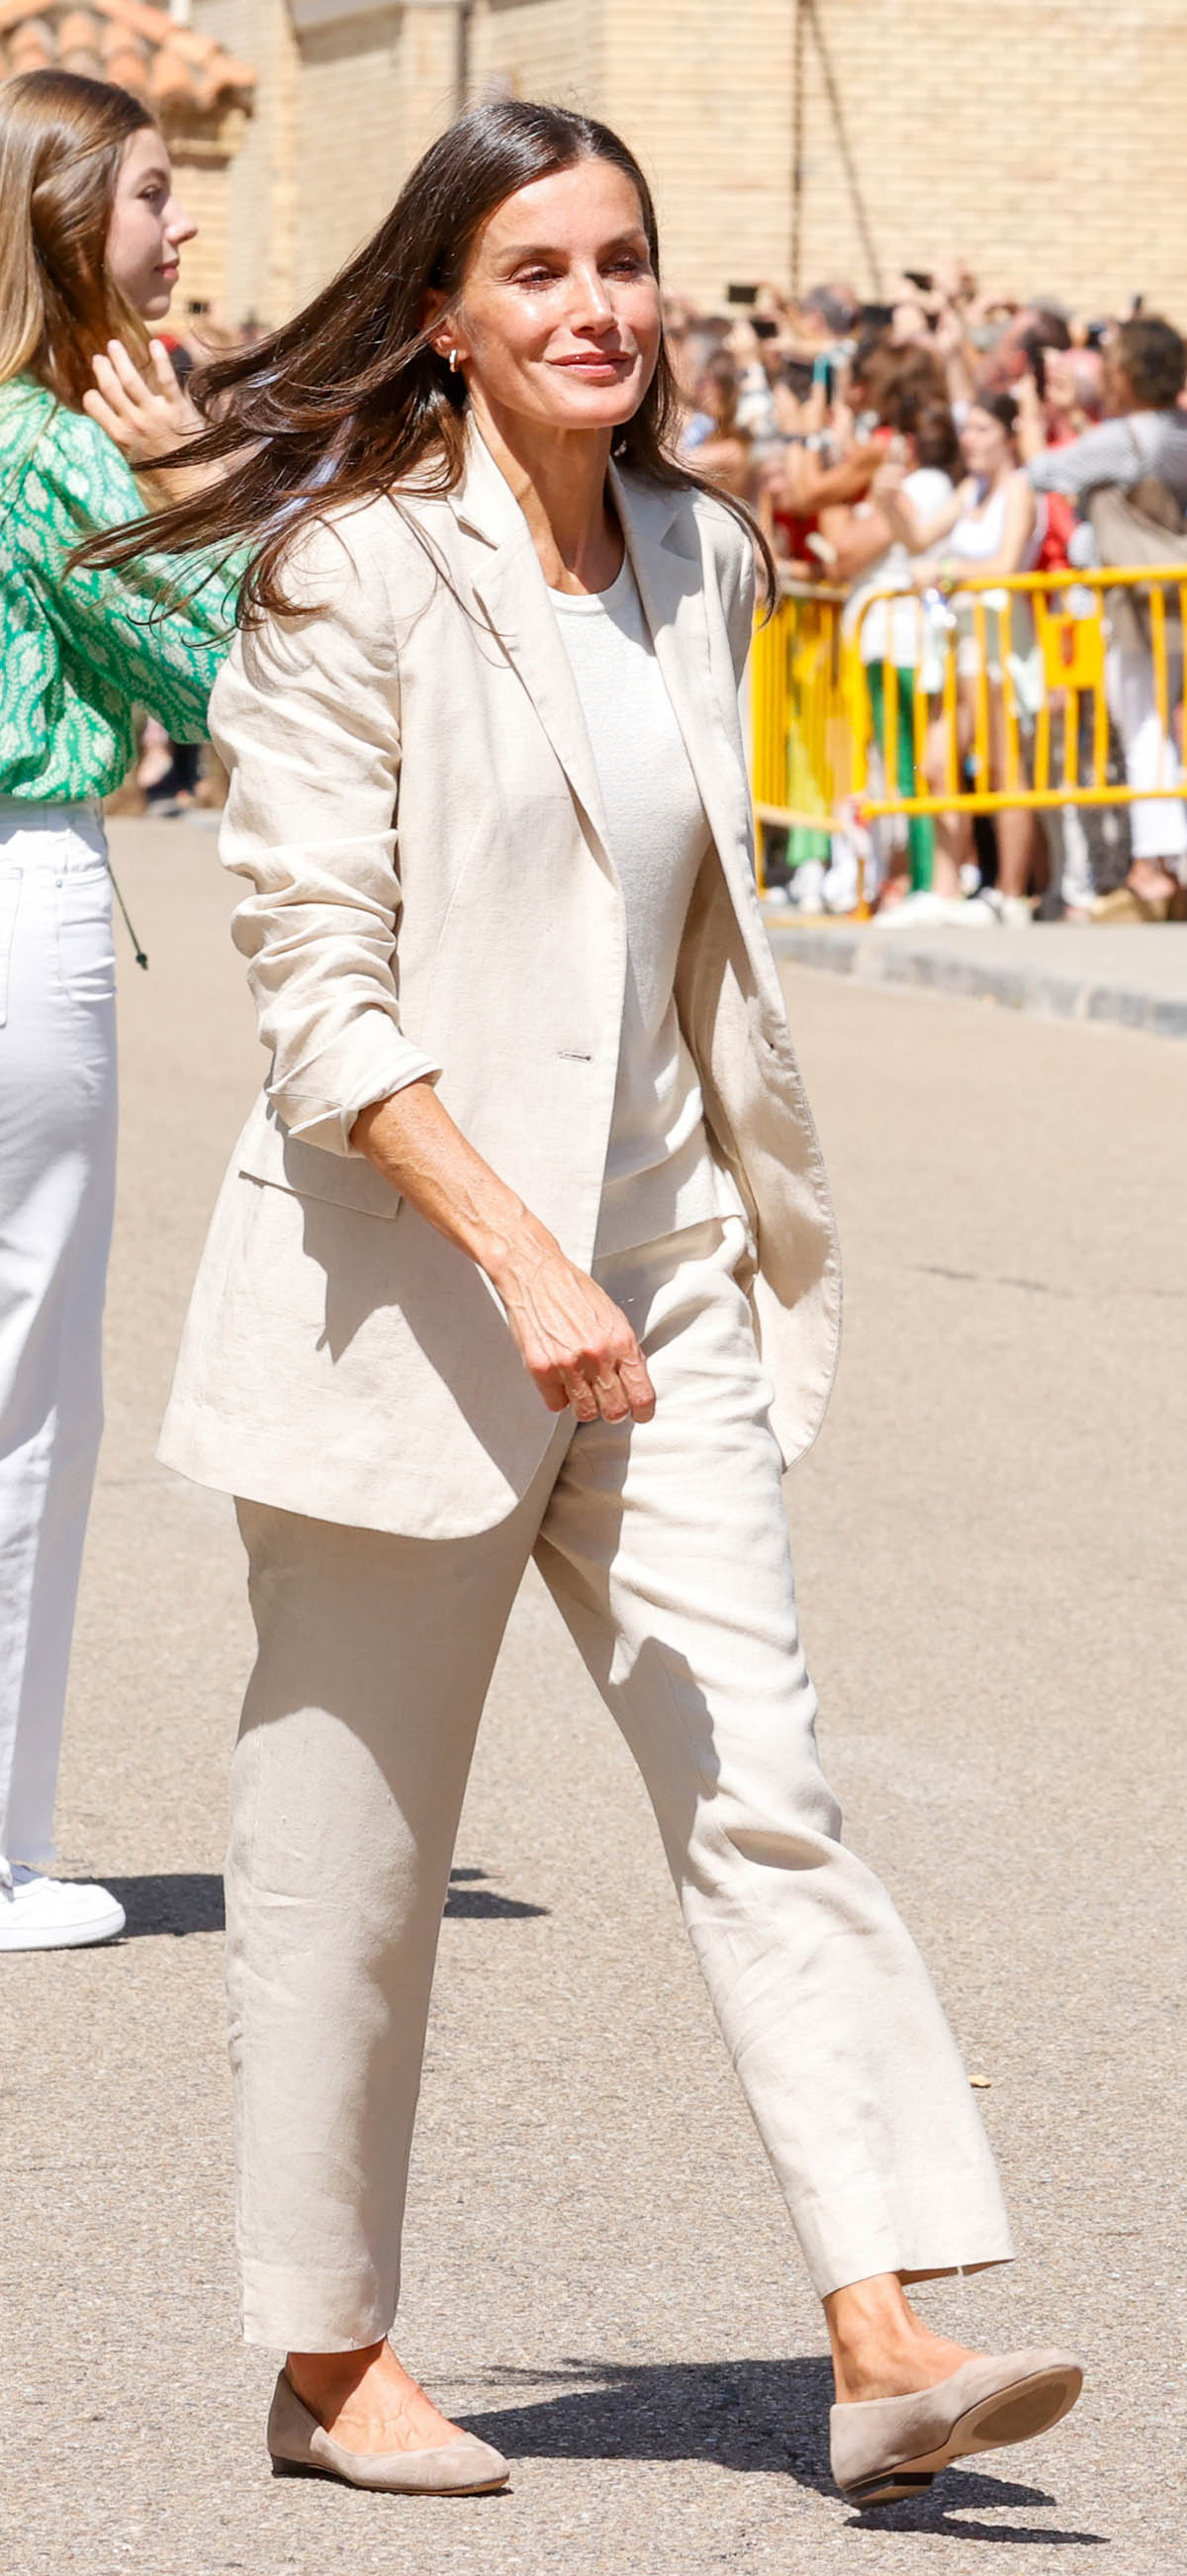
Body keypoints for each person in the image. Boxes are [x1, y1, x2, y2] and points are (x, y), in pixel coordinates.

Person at [91, 99, 1082, 2507]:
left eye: (621, 261)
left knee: (767, 1797)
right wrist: (514, 1251)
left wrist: (655, 1246)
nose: (596, 309)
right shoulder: (347, 580)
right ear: (442, 309)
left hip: (663, 1292)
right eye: (537, 270)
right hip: (408, 1299)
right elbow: (319, 995)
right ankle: (327, 2363)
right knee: (349, 1855)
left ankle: (877, 2325)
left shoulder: (696, 557)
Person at [0, 70, 233, 1951]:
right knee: (23, 1384)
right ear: (70, 218)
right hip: (22, 886)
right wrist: (187, 474)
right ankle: (0, 1844)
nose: (181, 231)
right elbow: (232, 671)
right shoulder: (59, 438)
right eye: (155, 197)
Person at [1027, 315, 1187, 920]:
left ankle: (1155, 860)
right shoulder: (1178, 431)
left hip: (1141, 602)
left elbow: (1045, 471)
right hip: (1177, 593)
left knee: (1143, 721)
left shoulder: (1130, 437)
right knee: (1168, 727)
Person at [882, 390, 1045, 924]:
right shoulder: (970, 488)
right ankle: (948, 889)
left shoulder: (1018, 488)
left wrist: (949, 574)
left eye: (981, 429)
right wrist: (889, 503)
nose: (970, 440)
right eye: (967, 429)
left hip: (997, 641)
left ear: (1006, 434)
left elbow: (1006, 565)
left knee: (1004, 766)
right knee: (936, 761)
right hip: (962, 642)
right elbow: (919, 539)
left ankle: (1012, 891)